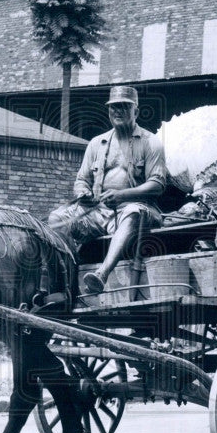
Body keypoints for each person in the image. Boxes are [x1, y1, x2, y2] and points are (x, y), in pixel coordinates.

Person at [48, 85, 167, 294]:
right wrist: (82, 193)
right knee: (56, 218)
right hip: (99, 213)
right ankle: (65, 280)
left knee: (132, 212)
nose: (118, 112)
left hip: (136, 210)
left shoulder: (151, 142)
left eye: (124, 107)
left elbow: (157, 184)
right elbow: (81, 180)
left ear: (136, 111)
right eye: (114, 108)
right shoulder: (96, 143)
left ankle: (102, 274)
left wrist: (122, 195)